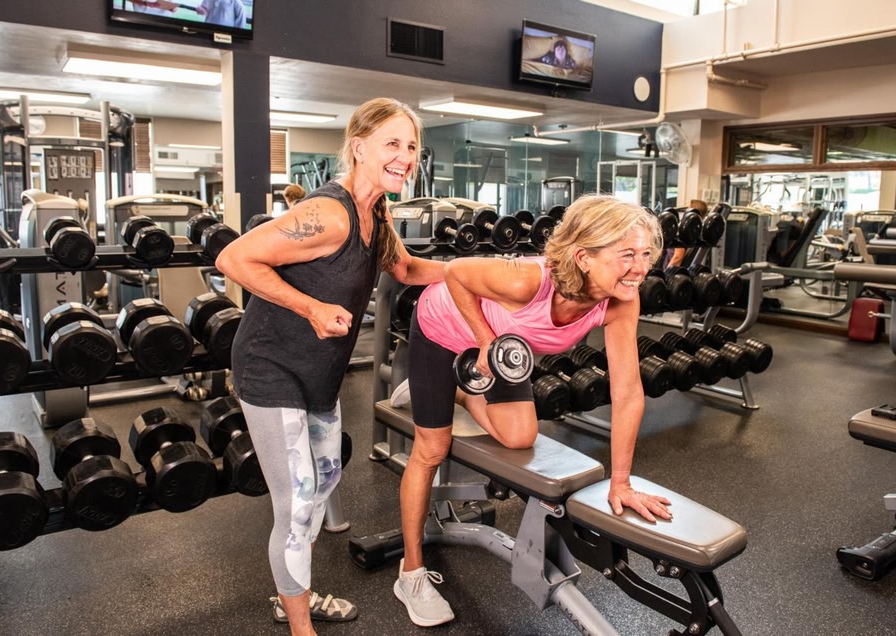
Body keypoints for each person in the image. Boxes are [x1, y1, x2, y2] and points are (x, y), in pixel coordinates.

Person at [215, 97, 445, 636]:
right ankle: (301, 627)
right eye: (392, 143)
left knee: (322, 485)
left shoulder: (376, 213)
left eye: (412, 146)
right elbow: (233, 258)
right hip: (271, 367)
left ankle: (292, 595)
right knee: (296, 504)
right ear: (358, 147)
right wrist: (311, 307)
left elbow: (407, 269)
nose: (406, 156)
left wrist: (485, 272)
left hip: (318, 372)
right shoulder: (329, 213)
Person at [390, 195, 674, 628]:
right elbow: (455, 273)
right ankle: (410, 574)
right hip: (443, 328)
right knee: (433, 447)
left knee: (520, 436)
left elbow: (629, 391)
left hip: (502, 344)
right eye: (627, 255)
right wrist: (484, 341)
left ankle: (458, 390)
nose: (640, 267)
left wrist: (621, 482)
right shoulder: (528, 280)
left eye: (646, 254)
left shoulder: (621, 299)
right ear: (584, 257)